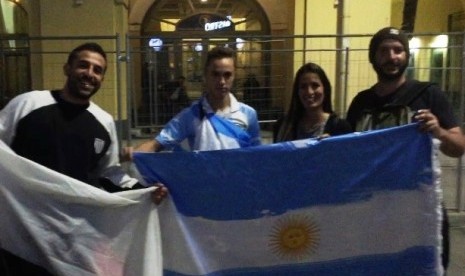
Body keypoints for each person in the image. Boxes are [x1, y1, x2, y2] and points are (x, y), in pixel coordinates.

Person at [0, 42, 167, 275]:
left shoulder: (104, 122)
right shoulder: (28, 104)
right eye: (83, 66)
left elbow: (109, 174)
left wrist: (145, 192)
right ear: (67, 68)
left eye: (97, 70)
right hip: (21, 226)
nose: (90, 74)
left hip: (71, 233)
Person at [346, 27, 465, 270]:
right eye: (384, 51)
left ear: (407, 55)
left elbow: (458, 147)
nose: (392, 57)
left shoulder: (428, 94)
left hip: (420, 207)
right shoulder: (361, 103)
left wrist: (438, 131)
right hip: (373, 207)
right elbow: (348, 154)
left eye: (398, 50)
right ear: (373, 58)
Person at [133, 46, 261, 152]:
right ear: (205, 76)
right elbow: (157, 143)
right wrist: (132, 153)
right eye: (215, 74)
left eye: (227, 75)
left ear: (234, 76)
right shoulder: (190, 116)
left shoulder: (248, 114)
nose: (222, 81)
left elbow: (256, 155)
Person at [273, 62, 351, 142]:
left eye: (315, 85)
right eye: (303, 86)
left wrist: (332, 147)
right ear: (297, 91)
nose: (309, 92)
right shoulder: (283, 127)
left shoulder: (340, 128)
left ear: (325, 88)